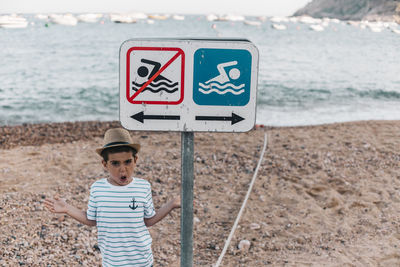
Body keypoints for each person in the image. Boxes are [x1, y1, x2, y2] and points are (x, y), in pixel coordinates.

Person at [44, 128, 181, 267]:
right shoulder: (98, 189)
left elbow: (149, 220)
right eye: (115, 163)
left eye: (127, 162)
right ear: (105, 164)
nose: (122, 169)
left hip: (142, 261)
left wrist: (172, 204)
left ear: (135, 160)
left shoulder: (143, 187)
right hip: (112, 262)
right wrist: (67, 208)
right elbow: (91, 220)